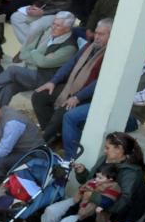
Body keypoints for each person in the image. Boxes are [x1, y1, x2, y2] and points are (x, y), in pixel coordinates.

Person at [22, 132, 145, 222]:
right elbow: (90, 181)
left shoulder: (131, 173)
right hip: (83, 200)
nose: (104, 151)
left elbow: (123, 203)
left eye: (107, 148)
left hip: (101, 212)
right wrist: (82, 172)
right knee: (51, 211)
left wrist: (93, 197)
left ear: (119, 149)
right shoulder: (105, 159)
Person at [30, 19, 109, 148]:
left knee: (62, 112)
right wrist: (53, 82)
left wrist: (78, 97)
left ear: (111, 35)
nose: (97, 37)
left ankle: (41, 144)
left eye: (102, 34)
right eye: (96, 33)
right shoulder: (89, 46)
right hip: (70, 87)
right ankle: (55, 136)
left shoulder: (111, 55)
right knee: (39, 96)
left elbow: (99, 82)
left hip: (87, 96)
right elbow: (70, 64)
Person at [0, 13, 77, 106]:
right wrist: (37, 55)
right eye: (53, 23)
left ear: (67, 29)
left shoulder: (69, 47)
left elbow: (42, 63)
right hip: (31, 71)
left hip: (44, 79)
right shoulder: (49, 33)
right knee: (9, 87)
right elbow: (24, 53)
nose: (53, 27)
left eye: (57, 25)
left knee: (13, 70)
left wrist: (34, 53)